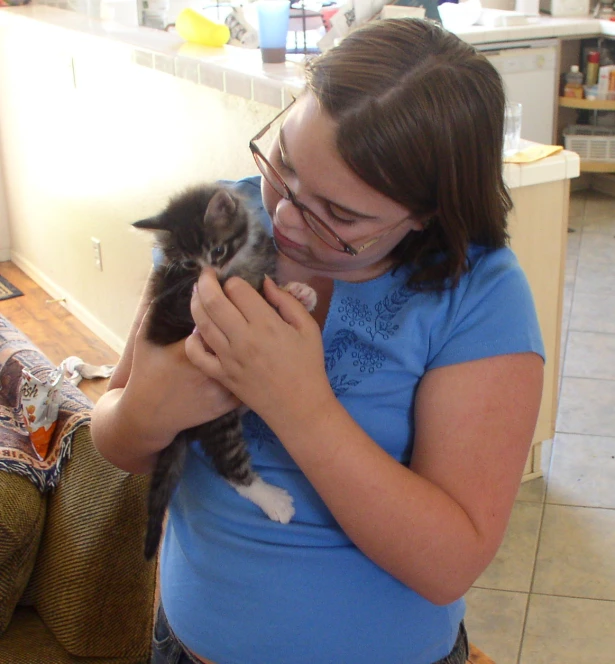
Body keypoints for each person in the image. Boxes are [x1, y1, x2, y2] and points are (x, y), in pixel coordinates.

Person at [91, 18, 545, 664]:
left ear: (426, 214)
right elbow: (112, 436)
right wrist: (148, 409)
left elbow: (449, 564)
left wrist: (298, 406)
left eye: (339, 215)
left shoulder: (480, 297)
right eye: (283, 164)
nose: (283, 217)